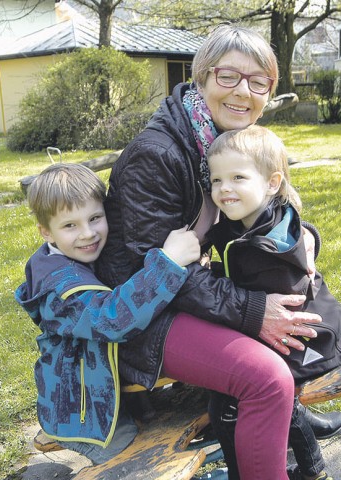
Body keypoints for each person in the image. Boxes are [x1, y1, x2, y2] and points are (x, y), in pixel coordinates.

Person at [95, 24, 341, 479]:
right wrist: (253, 311)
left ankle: (287, 424)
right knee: (266, 378)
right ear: (202, 78)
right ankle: (279, 422)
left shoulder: (224, 139)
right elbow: (154, 272)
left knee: (303, 313)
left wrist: (304, 235)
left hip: (193, 291)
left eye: (258, 82)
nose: (242, 92)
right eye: (228, 76)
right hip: (142, 313)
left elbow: (263, 208)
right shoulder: (157, 156)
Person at [205, 125, 341, 480]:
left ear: (272, 183)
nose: (224, 188)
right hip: (275, 336)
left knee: (248, 405)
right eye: (216, 180)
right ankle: (306, 464)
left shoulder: (269, 246)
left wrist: (212, 281)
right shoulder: (249, 219)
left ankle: (307, 470)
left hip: (294, 341)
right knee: (276, 405)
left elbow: (275, 305)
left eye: (237, 178)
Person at [14, 163, 202, 464]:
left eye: (95, 218)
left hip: (102, 388)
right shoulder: (60, 289)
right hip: (80, 410)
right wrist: (168, 263)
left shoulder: (75, 255)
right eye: (70, 226)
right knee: (131, 460)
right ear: (46, 232)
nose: (88, 233)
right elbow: (113, 319)